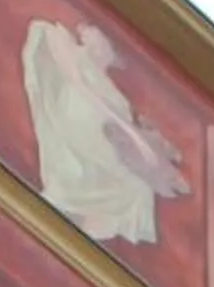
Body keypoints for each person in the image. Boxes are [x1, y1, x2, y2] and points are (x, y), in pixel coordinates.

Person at [21, 18, 191, 247]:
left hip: (98, 131)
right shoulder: (66, 44)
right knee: (128, 186)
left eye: (106, 45)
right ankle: (74, 232)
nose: (92, 38)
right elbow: (78, 83)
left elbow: (124, 127)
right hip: (81, 122)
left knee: (138, 189)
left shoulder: (113, 91)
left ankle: (80, 241)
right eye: (95, 33)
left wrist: (145, 142)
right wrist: (134, 136)